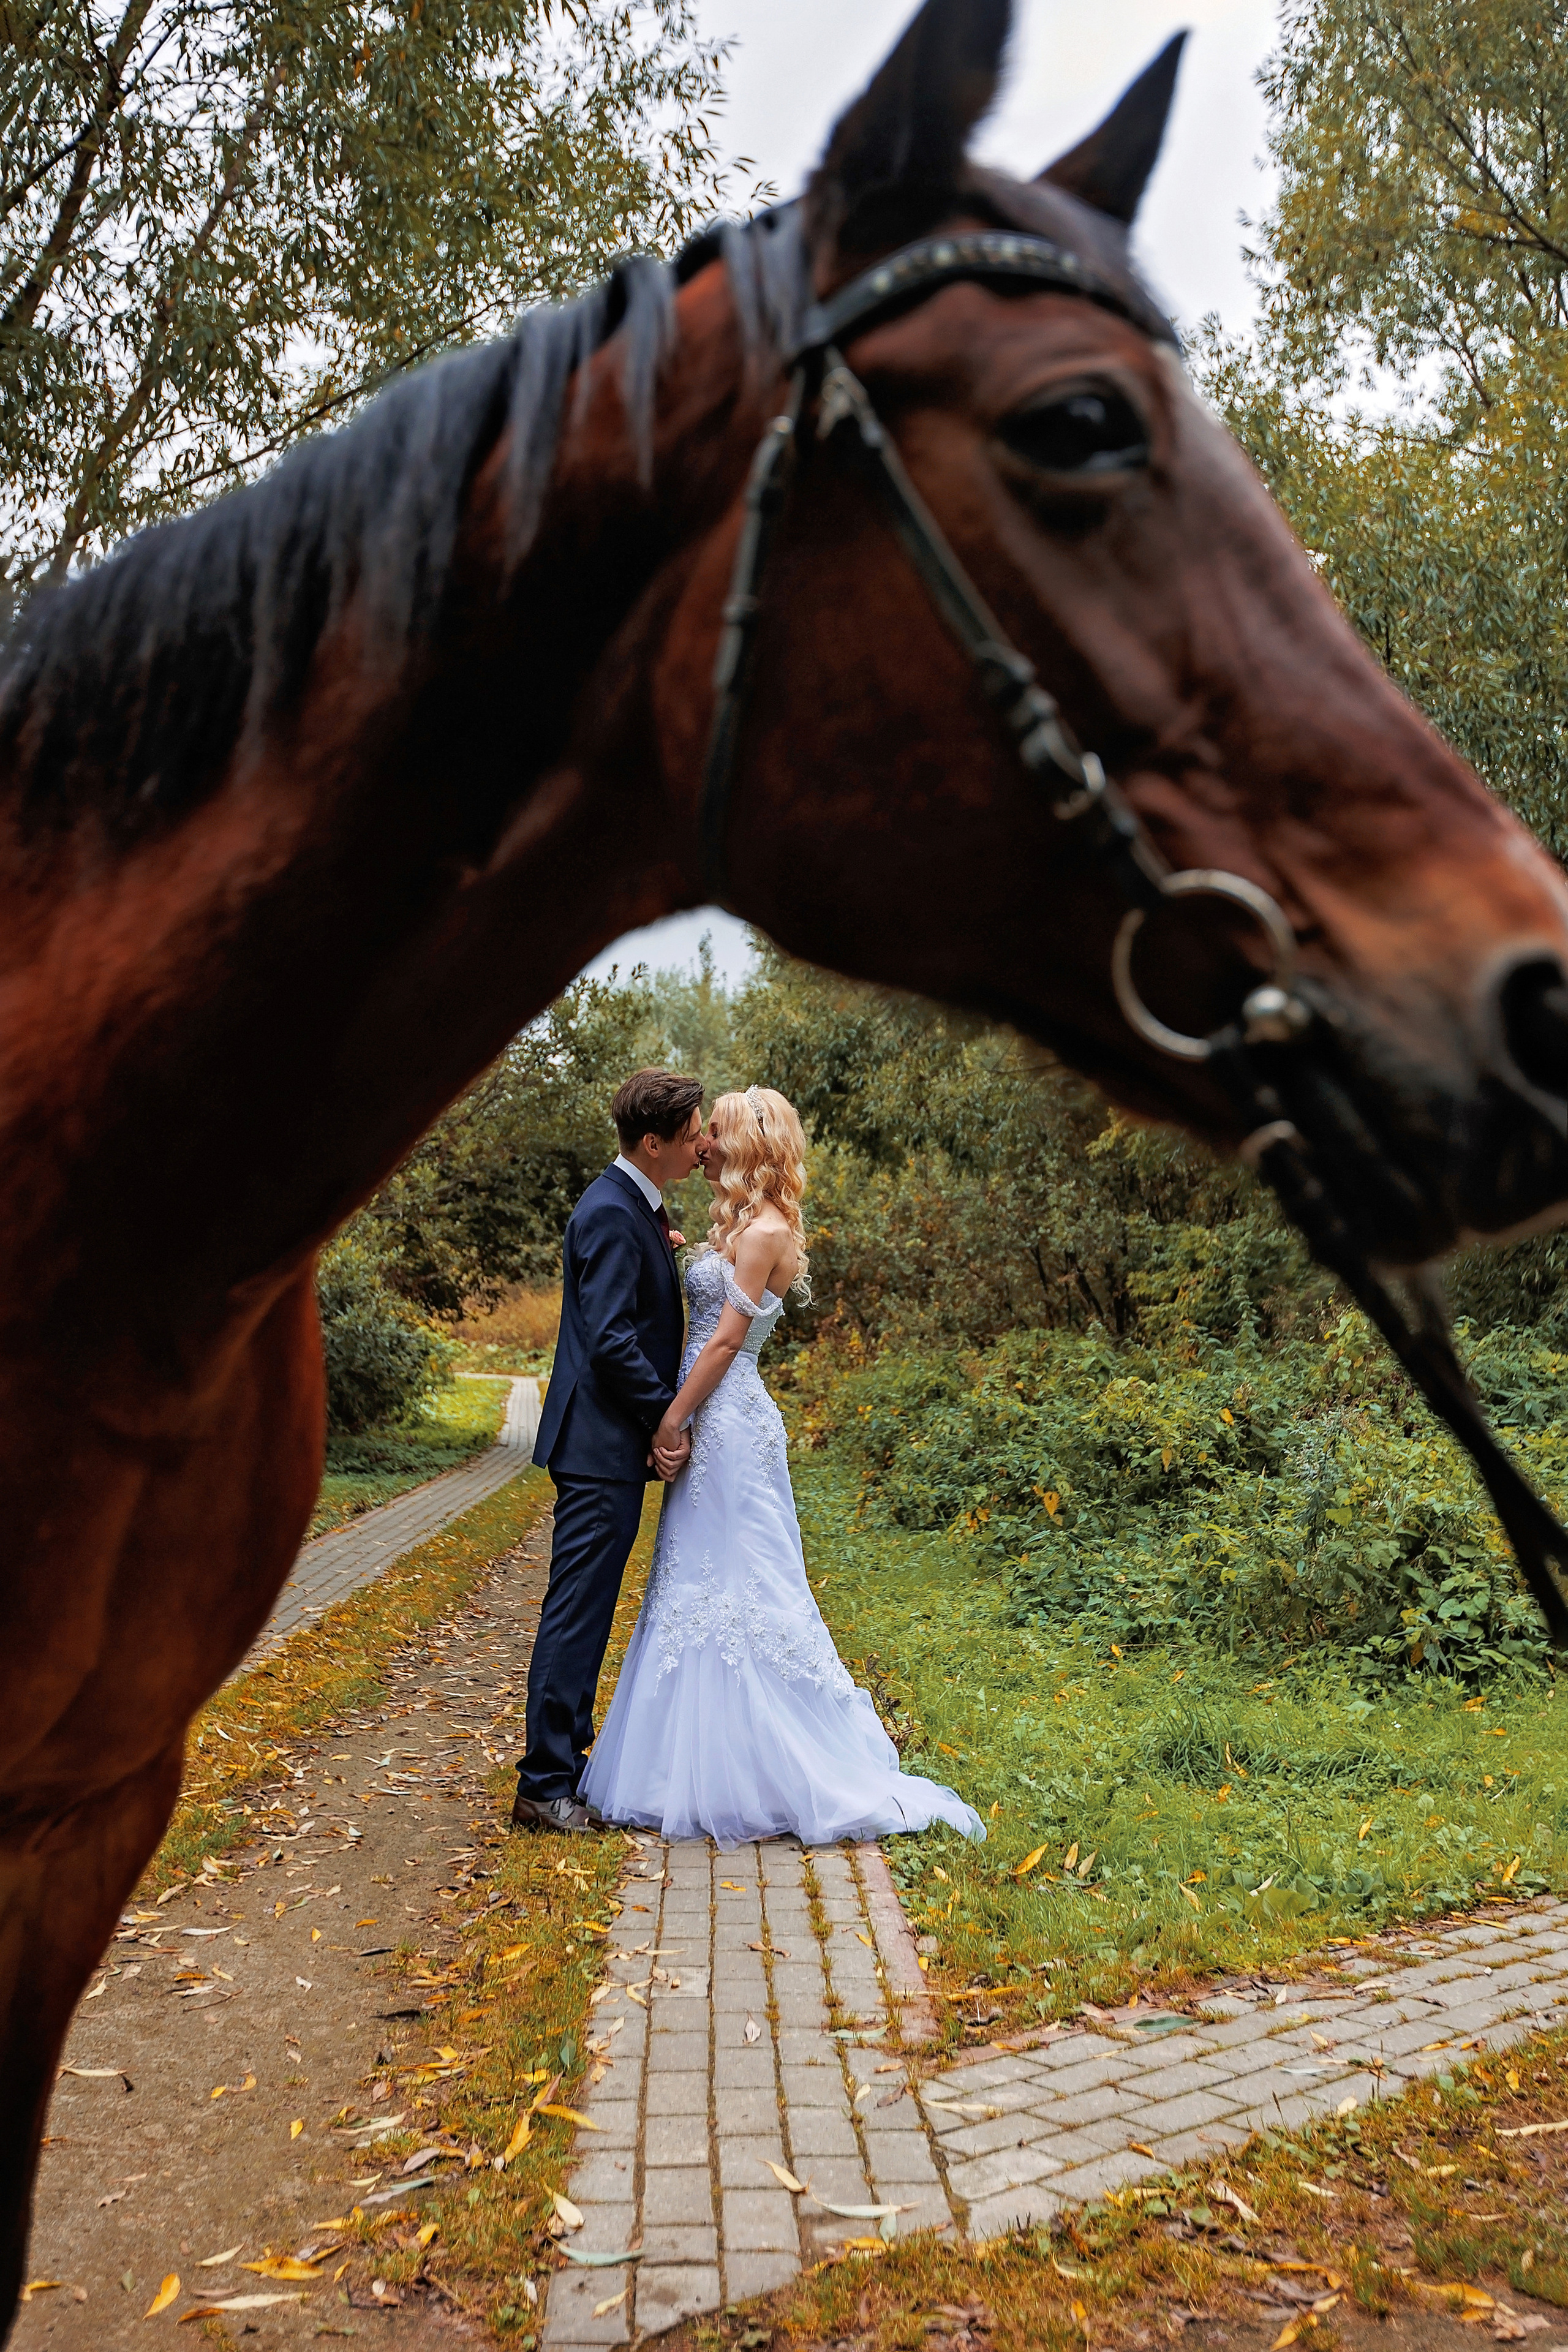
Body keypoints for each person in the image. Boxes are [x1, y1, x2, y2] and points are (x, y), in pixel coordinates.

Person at [581, 1086, 986, 1849]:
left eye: (717, 1137)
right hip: (715, 1413)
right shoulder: (740, 1226)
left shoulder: (765, 1231)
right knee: (694, 1578)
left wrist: (672, 1418)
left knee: (748, 1584)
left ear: (749, 1148)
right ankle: (686, 1764)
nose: (705, 1148)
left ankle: (775, 1766)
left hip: (728, 1422)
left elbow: (726, 1342)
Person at [513, 1068, 704, 1834]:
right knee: (577, 1613)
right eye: (691, 1134)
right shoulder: (609, 1214)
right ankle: (543, 1785)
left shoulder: (631, 1206)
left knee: (586, 1611)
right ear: (653, 1142)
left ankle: (566, 1764)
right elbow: (610, 1340)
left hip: (604, 1447)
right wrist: (666, 1418)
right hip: (598, 1448)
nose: (701, 1144)